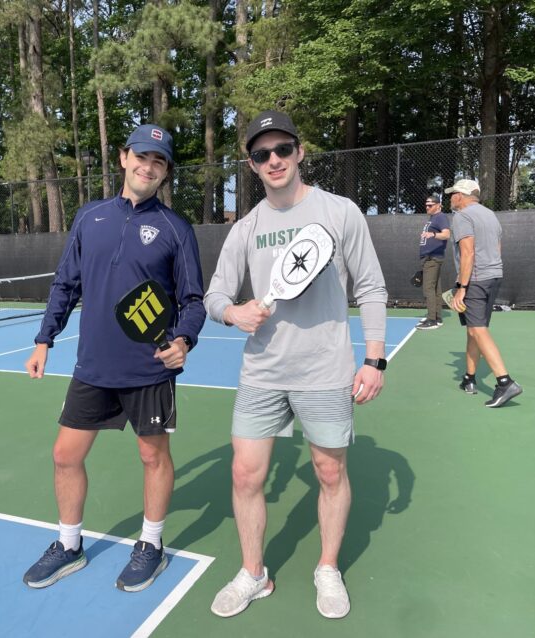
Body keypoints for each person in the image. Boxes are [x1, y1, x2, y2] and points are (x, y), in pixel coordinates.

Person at [204, 110, 388, 620]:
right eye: (262, 154)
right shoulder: (245, 228)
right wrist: (232, 311)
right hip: (262, 371)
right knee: (245, 475)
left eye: (283, 149)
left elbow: (370, 286)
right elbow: (214, 295)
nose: (274, 160)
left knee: (329, 472)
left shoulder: (340, 211)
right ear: (252, 164)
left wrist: (375, 358)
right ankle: (253, 573)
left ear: (300, 152)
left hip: (325, 371)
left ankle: (327, 567)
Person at [22, 124, 206, 592]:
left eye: (159, 161)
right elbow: (66, 283)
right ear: (124, 158)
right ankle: (68, 546)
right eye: (142, 156)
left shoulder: (175, 228)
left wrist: (184, 338)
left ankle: (151, 544)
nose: (149, 166)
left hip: (149, 368)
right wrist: (45, 339)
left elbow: (193, 300)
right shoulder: (90, 218)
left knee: (152, 456)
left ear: (165, 173)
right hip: (94, 366)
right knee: (65, 455)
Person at [445, 179, 522, 407]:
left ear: (462, 195)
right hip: (493, 276)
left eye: (453, 194)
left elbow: (467, 253)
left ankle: (505, 382)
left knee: (478, 330)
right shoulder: (490, 215)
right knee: (473, 329)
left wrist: (462, 288)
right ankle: (469, 378)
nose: (450, 197)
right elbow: (497, 249)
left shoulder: (462, 217)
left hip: (476, 279)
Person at [416, 195, 451, 330]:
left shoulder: (440, 217)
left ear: (438, 205)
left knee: (428, 288)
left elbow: (447, 234)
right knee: (436, 289)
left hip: (433, 258)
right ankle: (437, 317)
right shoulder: (433, 218)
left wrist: (433, 235)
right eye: (426, 205)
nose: (427, 207)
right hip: (429, 258)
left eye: (430, 205)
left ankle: (432, 320)